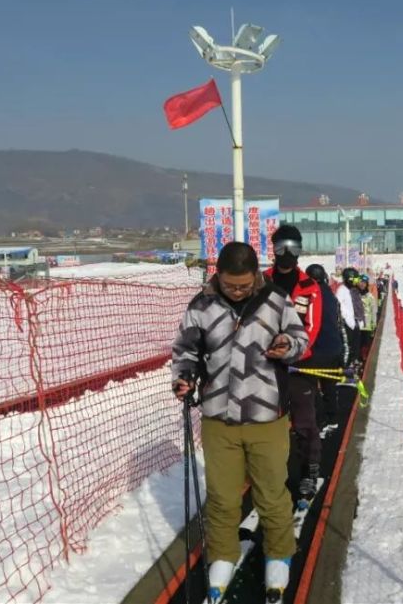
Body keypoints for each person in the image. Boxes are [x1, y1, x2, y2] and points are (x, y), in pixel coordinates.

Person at [171, 242, 308, 603]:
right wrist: (184, 378)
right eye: (231, 285)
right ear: (218, 275)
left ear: (255, 277)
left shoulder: (277, 300)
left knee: (271, 493)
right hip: (219, 418)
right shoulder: (201, 305)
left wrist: (286, 346)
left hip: (268, 416)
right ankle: (222, 555)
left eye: (244, 286)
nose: (237, 291)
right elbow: (186, 351)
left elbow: (300, 340)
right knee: (221, 497)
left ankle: (279, 553)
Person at [264, 225, 324, 505]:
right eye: (280, 248)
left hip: (300, 364)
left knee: (304, 421)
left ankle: (309, 471)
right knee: (269, 419)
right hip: (266, 364)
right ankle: (270, 473)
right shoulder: (261, 281)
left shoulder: (309, 286)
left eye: (293, 248)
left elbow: (312, 327)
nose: (286, 254)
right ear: (273, 249)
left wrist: (290, 349)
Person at [304, 263, 346, 433]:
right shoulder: (331, 295)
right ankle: (333, 418)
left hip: (316, 349)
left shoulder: (308, 294)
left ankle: (320, 422)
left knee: (312, 388)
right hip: (334, 347)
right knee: (330, 386)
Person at [336, 267, 362, 368]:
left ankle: (352, 363)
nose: (356, 282)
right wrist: (346, 318)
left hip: (353, 322)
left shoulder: (352, 290)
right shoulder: (341, 290)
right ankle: (344, 368)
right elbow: (339, 306)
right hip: (345, 324)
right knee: (347, 347)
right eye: (355, 279)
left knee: (355, 345)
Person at [358, 274, 378, 359]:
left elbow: (374, 310)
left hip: (367, 324)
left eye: (364, 283)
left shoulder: (370, 296)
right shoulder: (355, 295)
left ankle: (364, 356)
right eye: (360, 282)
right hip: (356, 324)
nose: (362, 284)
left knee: (365, 342)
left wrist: (374, 322)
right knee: (357, 342)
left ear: (366, 284)